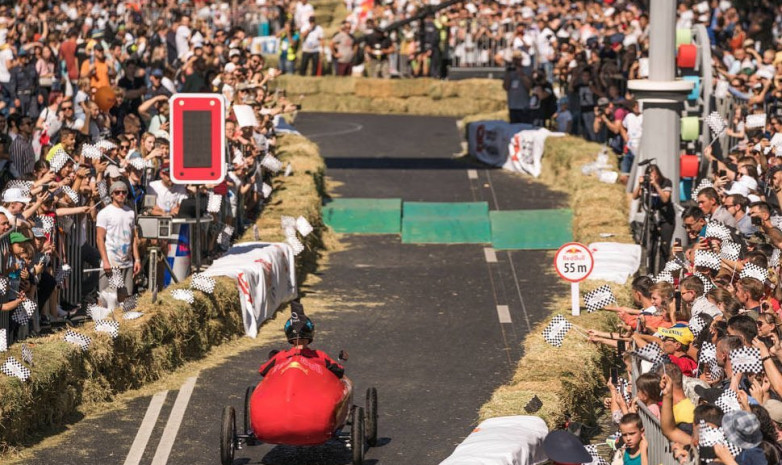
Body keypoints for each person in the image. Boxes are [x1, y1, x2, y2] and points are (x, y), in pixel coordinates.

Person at [258, 303, 345, 379]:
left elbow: (262, 371)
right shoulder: (319, 356)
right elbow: (339, 371)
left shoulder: (281, 357)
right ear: (310, 336)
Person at [96, 181, 141, 295]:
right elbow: (100, 239)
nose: (121, 195)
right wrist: (105, 261)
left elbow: (133, 238)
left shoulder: (130, 212)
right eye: (117, 192)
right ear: (112, 194)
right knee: (107, 297)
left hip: (127, 261)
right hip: (111, 261)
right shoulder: (104, 213)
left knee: (125, 297)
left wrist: (137, 259)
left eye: (124, 192)